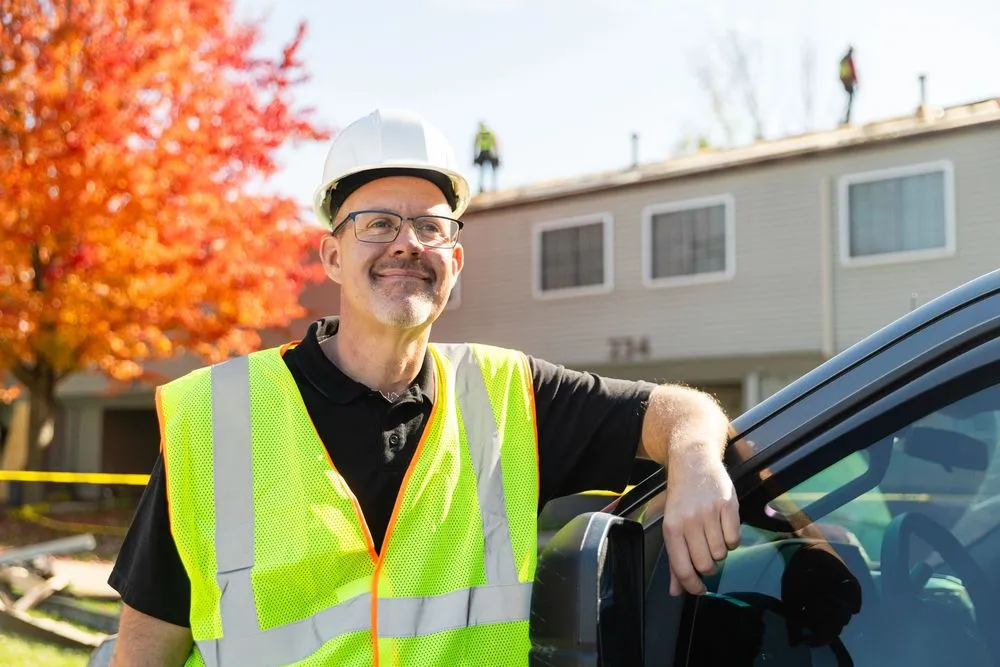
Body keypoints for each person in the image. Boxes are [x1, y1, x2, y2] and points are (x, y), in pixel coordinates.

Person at [107, 108, 741, 667]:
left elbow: (678, 412)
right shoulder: (214, 417)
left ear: (455, 261)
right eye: (377, 224)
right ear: (332, 256)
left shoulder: (508, 396)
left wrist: (696, 460)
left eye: (431, 227)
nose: (407, 244)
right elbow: (145, 650)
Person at [473, 120, 500, 193]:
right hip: (490, 152)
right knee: (492, 170)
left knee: (482, 171)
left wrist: (474, 156)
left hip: (482, 152)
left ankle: (481, 187)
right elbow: (495, 143)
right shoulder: (490, 132)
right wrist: (497, 154)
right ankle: (494, 186)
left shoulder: (478, 134)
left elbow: (475, 145)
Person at [839, 46, 858, 125]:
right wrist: (855, 80)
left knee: (849, 99)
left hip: (845, 81)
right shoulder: (848, 60)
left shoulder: (843, 60)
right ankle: (847, 117)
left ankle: (846, 117)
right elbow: (852, 71)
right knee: (850, 99)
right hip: (849, 82)